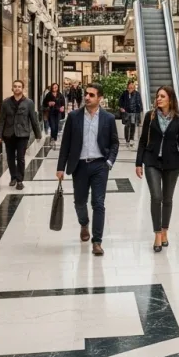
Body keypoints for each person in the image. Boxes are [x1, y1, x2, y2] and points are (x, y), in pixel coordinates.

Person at [56, 83, 119, 256]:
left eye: (91, 95)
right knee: (79, 202)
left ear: (100, 98)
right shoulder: (74, 116)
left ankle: (97, 241)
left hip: (100, 165)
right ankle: (84, 223)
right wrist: (61, 167)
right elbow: (66, 143)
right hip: (80, 165)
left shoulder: (108, 118)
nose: (87, 97)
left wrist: (109, 162)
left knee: (98, 203)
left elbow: (114, 143)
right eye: (86, 94)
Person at [135, 86, 179, 251]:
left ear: (170, 99)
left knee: (167, 199)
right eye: (157, 96)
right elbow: (143, 140)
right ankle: (157, 234)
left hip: (171, 163)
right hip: (152, 161)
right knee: (156, 197)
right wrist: (138, 163)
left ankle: (165, 230)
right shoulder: (150, 116)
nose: (158, 99)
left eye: (162, 96)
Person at [0, 80, 42, 190]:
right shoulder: (6, 102)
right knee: (10, 158)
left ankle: (20, 180)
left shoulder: (29, 103)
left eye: (19, 86)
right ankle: (13, 177)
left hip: (22, 135)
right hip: (9, 134)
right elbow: (1, 120)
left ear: (22, 88)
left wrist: (38, 135)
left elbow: (33, 119)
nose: (17, 88)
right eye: (15, 86)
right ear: (12, 88)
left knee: (20, 158)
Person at [119, 80, 144, 148]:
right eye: (130, 87)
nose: (131, 88)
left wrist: (140, 110)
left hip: (134, 112)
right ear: (127, 87)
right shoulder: (125, 93)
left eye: (132, 87)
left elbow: (139, 102)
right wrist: (121, 108)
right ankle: (127, 140)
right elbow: (120, 101)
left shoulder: (137, 93)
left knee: (133, 126)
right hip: (126, 112)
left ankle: (131, 139)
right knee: (127, 126)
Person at [42, 82, 65, 149]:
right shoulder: (49, 95)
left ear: (58, 88)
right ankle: (52, 138)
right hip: (51, 112)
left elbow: (63, 104)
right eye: (53, 87)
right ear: (51, 88)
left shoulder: (60, 95)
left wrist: (62, 108)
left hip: (58, 113)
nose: (54, 88)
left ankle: (55, 138)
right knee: (52, 126)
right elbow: (44, 103)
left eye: (56, 87)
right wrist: (49, 103)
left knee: (57, 126)